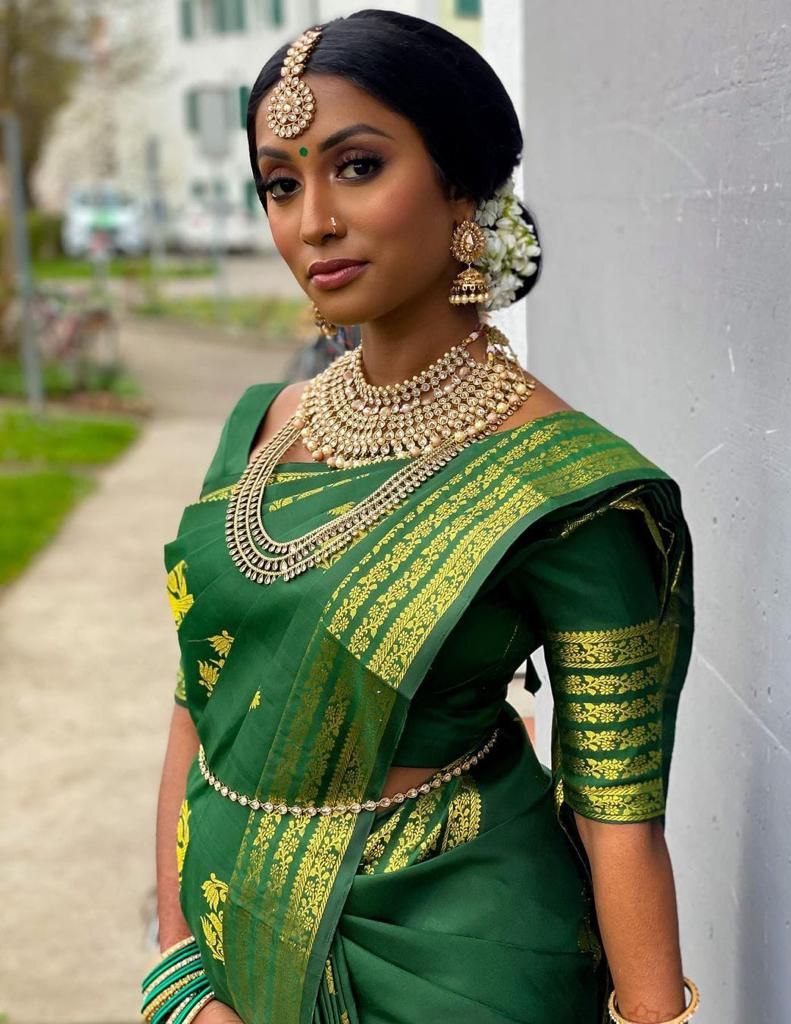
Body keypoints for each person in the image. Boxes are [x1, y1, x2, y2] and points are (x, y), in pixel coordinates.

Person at [142, 12, 699, 1024]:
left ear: (461, 188)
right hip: (225, 948)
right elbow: (200, 693)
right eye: (280, 182)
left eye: (356, 167)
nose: (312, 220)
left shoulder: (565, 488)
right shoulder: (258, 428)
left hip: (460, 969)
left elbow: (620, 822)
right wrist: (177, 964)